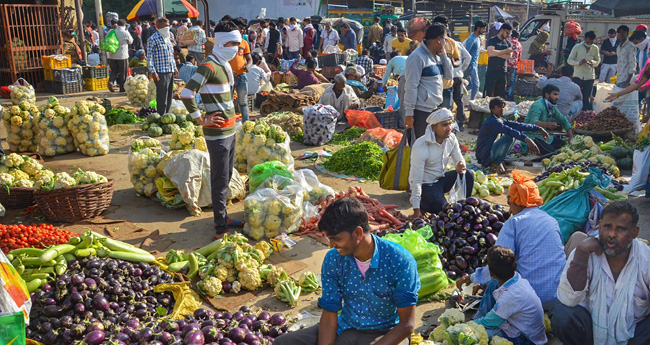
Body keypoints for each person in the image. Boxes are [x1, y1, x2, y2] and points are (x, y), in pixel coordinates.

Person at [273, 198, 419, 345]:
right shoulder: (334, 259)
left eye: (336, 239)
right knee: (282, 343)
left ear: (358, 233)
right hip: (344, 327)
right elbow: (330, 313)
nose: (331, 245)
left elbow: (407, 324)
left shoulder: (400, 261)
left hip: (385, 333)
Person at [458, 170, 565, 312]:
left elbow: (499, 263)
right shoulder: (552, 221)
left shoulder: (514, 223)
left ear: (518, 203)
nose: (509, 211)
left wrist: (472, 278)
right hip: (557, 298)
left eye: (509, 203)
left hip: (529, 300)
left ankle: (481, 320)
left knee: (494, 281)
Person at [550, 201, 650, 345]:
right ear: (599, 226)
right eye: (607, 227)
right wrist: (581, 254)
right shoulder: (584, 251)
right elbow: (567, 299)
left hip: (634, 334)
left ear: (634, 233)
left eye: (620, 229)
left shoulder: (645, 258)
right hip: (590, 331)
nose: (612, 234)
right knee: (562, 314)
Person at [180, 20, 243, 238]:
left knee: (226, 176)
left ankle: (223, 216)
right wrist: (201, 119)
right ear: (223, 43)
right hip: (217, 134)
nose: (237, 48)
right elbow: (186, 93)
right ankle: (220, 226)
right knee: (219, 178)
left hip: (230, 129)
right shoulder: (208, 66)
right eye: (233, 43)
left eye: (238, 43)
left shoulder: (224, 65)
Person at [470, 246, 547, 344]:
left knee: (481, 336)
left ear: (490, 272)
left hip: (527, 338)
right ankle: (479, 316)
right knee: (493, 283)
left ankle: (478, 321)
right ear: (515, 265)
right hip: (520, 325)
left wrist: (467, 325)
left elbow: (490, 322)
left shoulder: (510, 296)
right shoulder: (518, 279)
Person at [409, 108, 473, 217]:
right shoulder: (421, 146)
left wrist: (461, 164)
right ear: (433, 127)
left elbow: (458, 157)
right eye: (444, 125)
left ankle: (466, 208)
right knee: (446, 211)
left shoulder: (451, 138)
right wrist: (416, 209)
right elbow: (416, 180)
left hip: (441, 180)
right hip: (427, 185)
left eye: (450, 124)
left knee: (468, 174)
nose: (449, 128)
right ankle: (423, 205)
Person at [403, 23, 452, 139]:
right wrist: (409, 114)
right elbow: (410, 86)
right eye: (445, 40)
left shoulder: (436, 57)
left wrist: (444, 56)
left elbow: (449, 75)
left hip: (435, 110)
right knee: (421, 148)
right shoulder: (417, 57)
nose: (446, 43)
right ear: (439, 40)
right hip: (421, 113)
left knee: (433, 148)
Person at [475, 97, 545, 173]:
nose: (502, 109)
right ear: (492, 109)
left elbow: (517, 125)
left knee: (510, 135)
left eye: (502, 107)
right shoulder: (492, 122)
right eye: (499, 107)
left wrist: (538, 128)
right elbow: (509, 130)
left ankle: (496, 162)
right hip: (483, 155)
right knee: (509, 137)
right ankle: (496, 162)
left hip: (489, 152)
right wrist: (527, 140)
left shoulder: (499, 119)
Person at [525, 84, 574, 154]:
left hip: (544, 136)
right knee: (552, 153)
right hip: (532, 136)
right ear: (547, 95)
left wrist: (570, 137)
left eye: (558, 95)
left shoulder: (552, 107)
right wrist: (547, 125)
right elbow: (533, 122)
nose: (557, 97)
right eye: (555, 94)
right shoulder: (538, 105)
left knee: (565, 147)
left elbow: (564, 120)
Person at [147, 17, 178, 116]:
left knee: (169, 95)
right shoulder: (153, 39)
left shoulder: (168, 38)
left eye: (168, 26)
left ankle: (167, 115)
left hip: (170, 70)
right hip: (160, 72)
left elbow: (170, 54)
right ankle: (161, 116)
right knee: (162, 96)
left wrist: (175, 67)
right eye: (165, 26)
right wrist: (153, 72)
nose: (167, 28)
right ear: (158, 26)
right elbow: (150, 57)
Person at [434, 15, 461, 110]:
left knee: (446, 114)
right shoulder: (429, 43)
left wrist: (452, 62)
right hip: (433, 86)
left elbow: (458, 61)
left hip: (447, 86)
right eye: (444, 25)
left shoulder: (452, 42)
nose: (446, 28)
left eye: (447, 26)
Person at [568, 31, 600, 110]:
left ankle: (584, 112)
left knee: (587, 96)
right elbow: (569, 60)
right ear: (584, 39)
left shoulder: (595, 48)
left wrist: (592, 63)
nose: (589, 43)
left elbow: (598, 60)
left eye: (591, 42)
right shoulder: (577, 47)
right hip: (578, 75)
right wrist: (579, 63)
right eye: (588, 41)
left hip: (589, 76)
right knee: (576, 96)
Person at [229, 19, 253, 122]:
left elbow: (249, 59)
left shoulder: (244, 42)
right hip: (229, 77)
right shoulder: (228, 42)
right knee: (229, 103)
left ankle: (246, 123)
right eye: (240, 28)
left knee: (243, 102)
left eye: (243, 29)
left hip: (242, 76)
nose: (242, 30)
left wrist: (248, 66)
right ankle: (230, 123)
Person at [484, 23, 513, 98]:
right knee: (488, 94)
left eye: (509, 34)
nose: (508, 35)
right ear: (501, 30)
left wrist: (496, 53)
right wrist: (505, 51)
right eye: (507, 33)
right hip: (492, 71)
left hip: (503, 72)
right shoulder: (493, 40)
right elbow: (490, 53)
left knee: (500, 95)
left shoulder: (508, 43)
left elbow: (509, 56)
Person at [107, 20, 133, 93]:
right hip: (122, 56)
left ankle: (111, 82)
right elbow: (131, 41)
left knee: (114, 71)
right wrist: (127, 31)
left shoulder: (111, 31)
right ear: (124, 25)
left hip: (112, 55)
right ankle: (122, 88)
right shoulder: (125, 33)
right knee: (123, 72)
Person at [383, 51, 408, 127]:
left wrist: (384, 85)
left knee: (403, 102)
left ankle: (403, 124)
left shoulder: (392, 61)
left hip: (405, 77)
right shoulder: (406, 57)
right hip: (417, 76)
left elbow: (386, 75)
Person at [464, 20, 488, 100]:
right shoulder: (472, 39)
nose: (484, 30)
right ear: (478, 28)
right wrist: (468, 65)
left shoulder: (477, 38)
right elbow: (466, 52)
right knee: (476, 84)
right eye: (483, 28)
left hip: (474, 64)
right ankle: (472, 103)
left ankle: (458, 94)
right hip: (471, 65)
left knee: (471, 85)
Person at [453, 39, 470, 130]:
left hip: (448, 78)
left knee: (447, 102)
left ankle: (448, 124)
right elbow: (468, 57)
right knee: (459, 101)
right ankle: (460, 123)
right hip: (458, 76)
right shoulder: (458, 44)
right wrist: (461, 69)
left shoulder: (442, 44)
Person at [506, 30, 522, 101]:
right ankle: (509, 97)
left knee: (504, 81)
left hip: (505, 64)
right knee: (512, 82)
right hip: (513, 65)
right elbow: (519, 56)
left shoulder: (507, 41)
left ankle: (504, 95)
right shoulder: (518, 44)